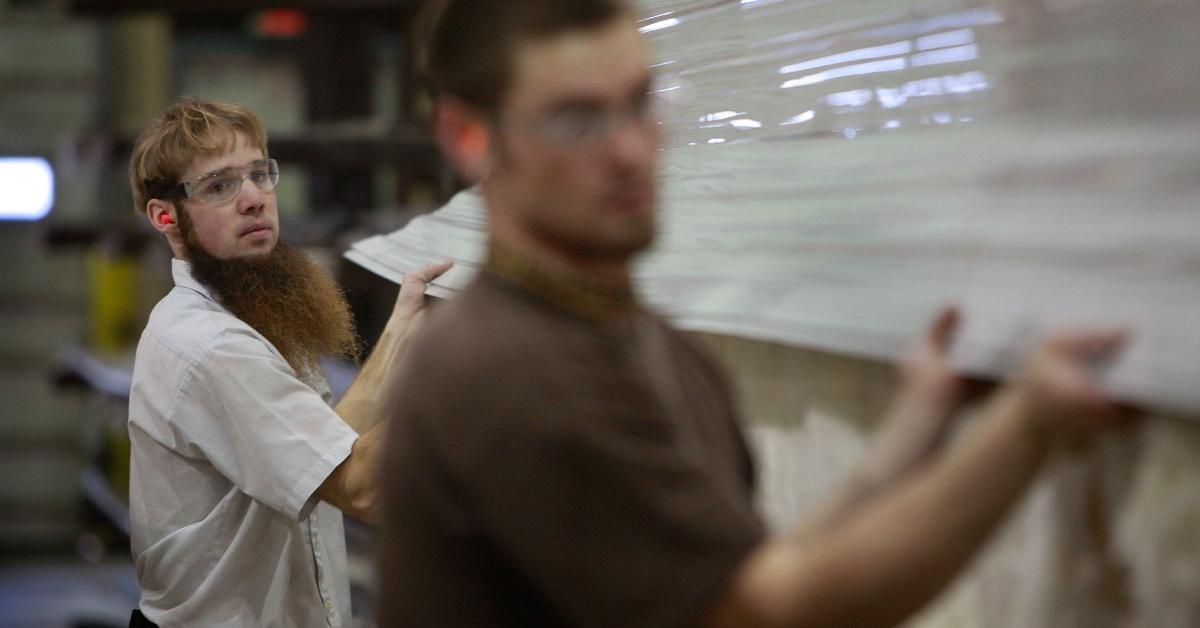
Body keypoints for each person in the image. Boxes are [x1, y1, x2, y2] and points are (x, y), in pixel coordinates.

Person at [377, 1, 1131, 626]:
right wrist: (1027, 425)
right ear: (469, 138)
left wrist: (915, 429)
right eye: (579, 121)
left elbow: (745, 575)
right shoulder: (507, 370)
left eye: (641, 103)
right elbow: (763, 612)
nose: (633, 150)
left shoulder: (650, 342)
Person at [125, 97, 448, 627]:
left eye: (258, 174)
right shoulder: (210, 344)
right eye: (219, 186)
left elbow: (324, 451)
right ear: (166, 217)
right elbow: (361, 488)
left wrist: (406, 325)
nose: (253, 198)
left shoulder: (249, 316)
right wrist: (460, 358)